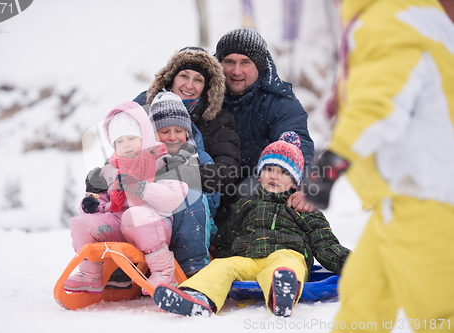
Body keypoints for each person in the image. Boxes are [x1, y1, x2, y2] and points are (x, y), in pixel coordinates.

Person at [304, 1, 454, 331]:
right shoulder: (420, 16)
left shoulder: (390, 20)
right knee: (363, 303)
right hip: (403, 197)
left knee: (439, 314)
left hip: (426, 196)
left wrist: (334, 159)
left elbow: (380, 101)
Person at [152, 132, 350, 317]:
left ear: (294, 182)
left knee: (287, 262)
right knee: (223, 265)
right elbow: (227, 239)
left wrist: (353, 266)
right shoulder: (246, 203)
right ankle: (198, 297)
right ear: (259, 175)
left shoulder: (303, 208)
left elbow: (325, 243)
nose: (273, 176)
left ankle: (281, 291)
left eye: (282, 172)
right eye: (269, 169)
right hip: (248, 260)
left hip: (287, 254)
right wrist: (220, 253)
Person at [64, 101, 188, 294]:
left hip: (154, 222)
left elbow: (174, 195)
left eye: (131, 137)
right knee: (82, 223)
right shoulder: (108, 170)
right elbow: (102, 200)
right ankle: (90, 276)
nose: (126, 144)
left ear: (144, 136)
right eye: (119, 141)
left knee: (135, 216)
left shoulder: (163, 161)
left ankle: (164, 273)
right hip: (118, 223)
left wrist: (142, 188)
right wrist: (91, 204)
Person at [213, 28, 315, 213]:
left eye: (245, 63)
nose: (236, 71)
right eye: (229, 62)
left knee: (252, 189)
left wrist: (304, 188)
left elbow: (296, 142)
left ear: (259, 66)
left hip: (256, 187)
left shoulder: (278, 102)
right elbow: (164, 99)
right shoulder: (203, 88)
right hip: (211, 181)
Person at [134, 46, 241, 200]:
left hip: (193, 198)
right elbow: (123, 148)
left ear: (206, 87)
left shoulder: (217, 120)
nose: (189, 85)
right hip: (143, 191)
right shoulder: (145, 106)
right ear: (171, 78)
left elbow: (227, 169)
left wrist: (185, 175)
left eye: (198, 80)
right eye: (184, 76)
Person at [149, 90, 218, 277]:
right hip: (158, 221)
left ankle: (192, 267)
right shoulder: (146, 159)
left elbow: (212, 203)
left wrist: (199, 183)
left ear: (186, 131)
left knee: (191, 201)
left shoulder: (200, 158)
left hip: (195, 224)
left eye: (178, 131)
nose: (172, 137)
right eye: (164, 131)